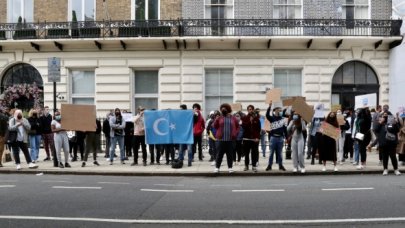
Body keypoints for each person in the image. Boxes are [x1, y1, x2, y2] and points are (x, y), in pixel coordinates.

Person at [213, 103, 239, 173]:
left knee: (230, 155)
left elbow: (237, 127)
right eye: (222, 108)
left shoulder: (233, 118)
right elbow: (214, 126)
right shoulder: (220, 117)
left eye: (224, 108)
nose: (223, 109)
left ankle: (230, 168)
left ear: (228, 109)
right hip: (220, 140)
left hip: (230, 140)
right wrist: (216, 119)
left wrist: (235, 133)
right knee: (219, 154)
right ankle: (217, 167)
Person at [375, 110, 401, 175]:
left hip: (391, 142)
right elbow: (376, 130)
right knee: (384, 157)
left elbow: (397, 130)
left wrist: (395, 123)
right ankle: (385, 169)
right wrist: (381, 122)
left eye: (387, 115)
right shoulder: (381, 122)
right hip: (383, 142)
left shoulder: (392, 123)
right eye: (384, 115)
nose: (385, 116)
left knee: (393, 156)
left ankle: (396, 169)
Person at [265, 102, 287, 171]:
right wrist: (269, 107)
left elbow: (285, 129)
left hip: (280, 138)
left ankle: (280, 165)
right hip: (273, 138)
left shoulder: (282, 119)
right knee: (271, 153)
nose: (279, 111)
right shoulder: (272, 118)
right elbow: (267, 115)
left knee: (280, 153)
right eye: (277, 109)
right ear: (274, 111)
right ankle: (269, 165)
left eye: (280, 110)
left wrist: (286, 137)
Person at [242, 105, 261, 172]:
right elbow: (244, 126)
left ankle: (254, 166)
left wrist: (258, 138)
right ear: (247, 110)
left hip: (254, 139)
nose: (250, 110)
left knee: (254, 153)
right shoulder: (244, 118)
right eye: (249, 109)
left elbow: (258, 129)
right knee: (246, 153)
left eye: (251, 109)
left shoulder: (256, 119)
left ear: (253, 110)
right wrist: (249, 121)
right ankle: (246, 166)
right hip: (246, 139)